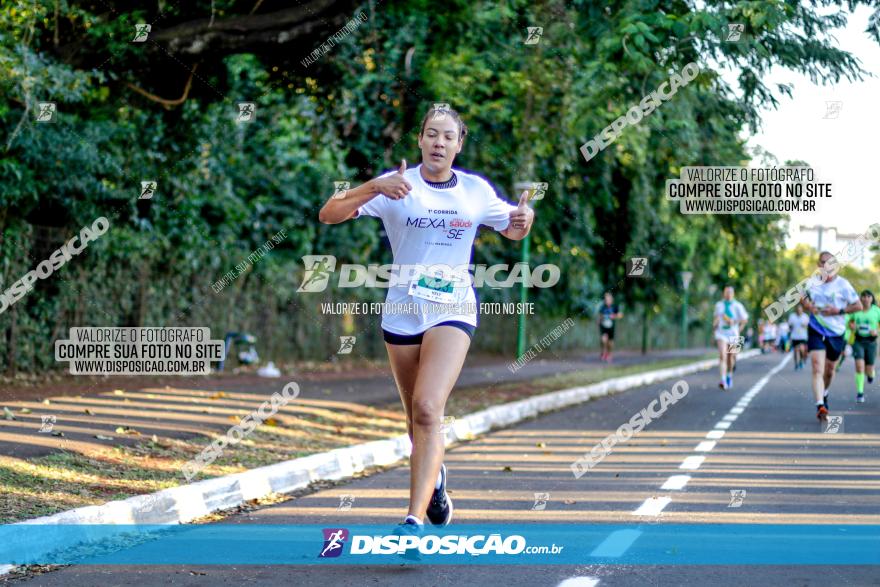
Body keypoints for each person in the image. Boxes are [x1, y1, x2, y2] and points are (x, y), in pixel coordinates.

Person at [318, 105, 535, 538]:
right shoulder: (398, 186)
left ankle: (412, 520)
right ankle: (435, 480)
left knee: (428, 406)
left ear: (458, 144)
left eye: (447, 136)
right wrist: (373, 186)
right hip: (402, 310)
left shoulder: (474, 191)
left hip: (453, 309)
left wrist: (524, 221)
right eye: (431, 134)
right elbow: (329, 214)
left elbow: (511, 229)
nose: (438, 142)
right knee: (413, 414)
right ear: (419, 140)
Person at [801, 251, 862, 420]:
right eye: (822, 263)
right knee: (817, 367)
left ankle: (825, 392)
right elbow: (802, 297)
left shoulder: (844, 285)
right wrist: (808, 306)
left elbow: (857, 305)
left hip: (836, 332)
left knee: (829, 370)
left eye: (829, 263)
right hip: (816, 328)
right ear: (818, 265)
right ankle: (820, 405)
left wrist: (839, 310)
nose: (825, 266)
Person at [713, 285, 748, 390]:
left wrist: (737, 326)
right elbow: (715, 318)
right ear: (724, 293)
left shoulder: (738, 305)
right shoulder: (719, 305)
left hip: (734, 334)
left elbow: (745, 320)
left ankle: (729, 375)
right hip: (721, 333)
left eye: (730, 292)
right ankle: (723, 380)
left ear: (733, 294)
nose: (728, 294)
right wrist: (714, 326)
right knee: (722, 355)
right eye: (726, 292)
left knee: (731, 356)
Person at [848, 290, 880, 403]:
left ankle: (871, 374)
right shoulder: (856, 310)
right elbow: (849, 321)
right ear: (860, 298)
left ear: (872, 298)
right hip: (858, 341)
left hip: (871, 342)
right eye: (863, 296)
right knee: (859, 366)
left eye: (868, 296)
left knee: (869, 369)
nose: (866, 298)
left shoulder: (877, 311)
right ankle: (860, 393)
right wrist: (851, 325)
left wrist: (876, 331)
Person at [597, 292, 623, 362]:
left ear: (611, 300)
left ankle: (609, 354)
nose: (607, 301)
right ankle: (604, 353)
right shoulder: (602, 307)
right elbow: (600, 316)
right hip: (604, 326)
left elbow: (620, 315)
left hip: (611, 327)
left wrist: (614, 316)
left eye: (609, 299)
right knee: (603, 339)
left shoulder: (615, 307)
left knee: (610, 343)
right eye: (606, 299)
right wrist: (599, 320)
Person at [788, 304, 810, 370]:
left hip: (803, 336)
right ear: (796, 310)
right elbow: (790, 326)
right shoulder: (792, 316)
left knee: (801, 349)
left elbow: (808, 325)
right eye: (798, 309)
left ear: (802, 310)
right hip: (794, 336)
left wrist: (805, 325)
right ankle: (796, 364)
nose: (799, 311)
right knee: (795, 350)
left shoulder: (805, 316)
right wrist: (791, 328)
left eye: (800, 309)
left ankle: (801, 361)